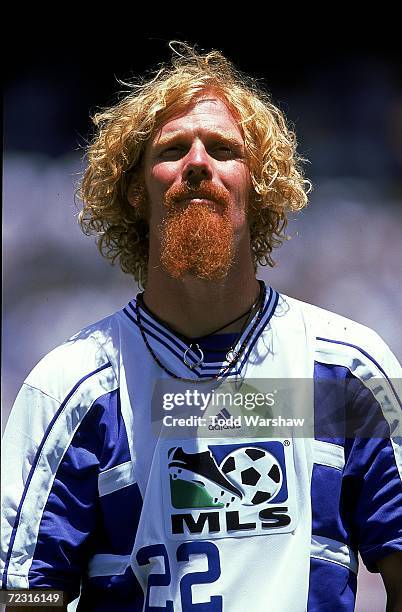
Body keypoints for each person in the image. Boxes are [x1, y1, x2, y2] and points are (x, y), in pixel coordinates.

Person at [1, 42, 401, 612]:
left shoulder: (350, 370)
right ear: (136, 191)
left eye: (221, 148)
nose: (197, 162)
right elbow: (24, 598)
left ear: (257, 189)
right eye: (171, 148)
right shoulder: (69, 389)